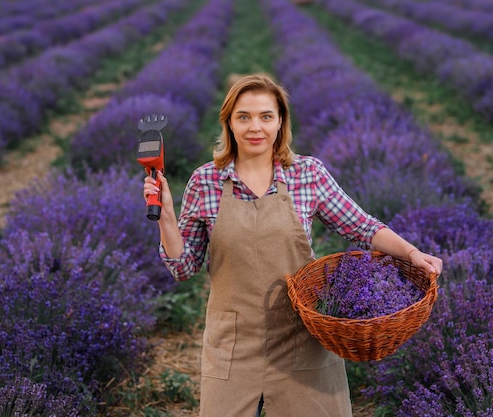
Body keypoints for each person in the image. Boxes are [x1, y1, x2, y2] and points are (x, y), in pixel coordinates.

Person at [143, 72, 443, 417]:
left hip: (302, 336)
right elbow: (183, 267)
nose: (255, 127)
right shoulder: (205, 181)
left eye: (265, 116)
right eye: (244, 117)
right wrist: (166, 216)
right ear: (229, 123)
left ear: (280, 121)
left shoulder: (307, 174)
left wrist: (411, 253)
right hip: (233, 341)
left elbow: (361, 225)